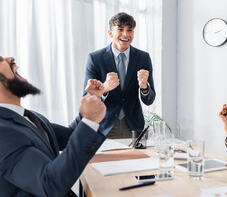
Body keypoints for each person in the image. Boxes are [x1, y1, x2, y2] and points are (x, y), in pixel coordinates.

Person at [0, 56, 106, 196]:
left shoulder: (31, 117)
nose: (10, 58)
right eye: (0, 60)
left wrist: (92, 99)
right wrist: (90, 120)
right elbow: (49, 184)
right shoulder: (3, 132)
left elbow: (70, 135)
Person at [78, 12, 156, 138]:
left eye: (129, 30)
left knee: (140, 158)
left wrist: (144, 87)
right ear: (110, 33)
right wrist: (104, 88)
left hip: (134, 127)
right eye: (120, 29)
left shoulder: (143, 58)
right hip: (105, 126)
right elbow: (87, 98)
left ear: (133, 34)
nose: (125, 34)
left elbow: (149, 100)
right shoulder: (95, 59)